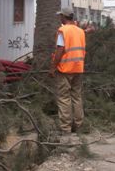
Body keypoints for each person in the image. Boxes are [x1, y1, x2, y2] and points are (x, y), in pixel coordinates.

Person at [49, 7, 86, 138]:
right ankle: (79, 127)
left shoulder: (62, 30)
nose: (60, 18)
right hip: (78, 68)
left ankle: (66, 129)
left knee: (64, 98)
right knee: (76, 97)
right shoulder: (80, 31)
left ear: (64, 17)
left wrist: (53, 67)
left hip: (65, 68)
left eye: (60, 16)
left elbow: (60, 50)